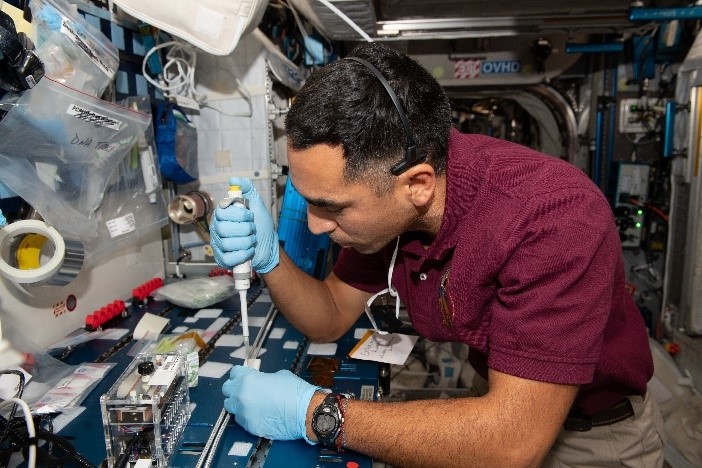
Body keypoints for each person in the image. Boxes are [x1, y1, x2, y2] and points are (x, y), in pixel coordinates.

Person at [210, 42, 664, 467]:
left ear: (417, 186)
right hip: (496, 397)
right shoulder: (391, 211)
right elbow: (327, 315)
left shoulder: (551, 216)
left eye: (332, 207)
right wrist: (270, 259)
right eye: (307, 199)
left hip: (592, 437)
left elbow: (514, 441)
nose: (314, 225)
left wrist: (315, 414)